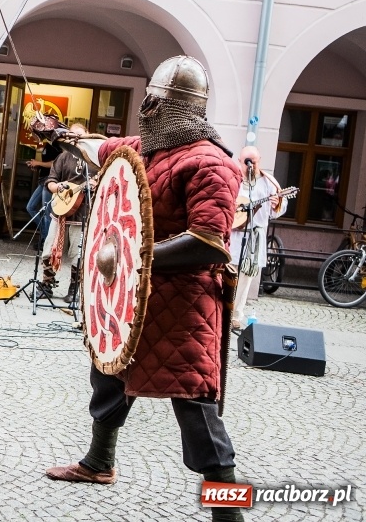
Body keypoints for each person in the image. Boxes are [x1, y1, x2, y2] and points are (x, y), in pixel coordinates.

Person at [45, 56, 245, 522]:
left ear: (173, 106)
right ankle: (99, 462)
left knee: (196, 411)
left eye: (155, 101)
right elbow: (100, 149)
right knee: (109, 373)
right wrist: (62, 135)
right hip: (132, 300)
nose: (146, 108)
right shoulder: (146, 149)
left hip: (184, 306)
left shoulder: (211, 163)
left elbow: (210, 242)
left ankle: (230, 515)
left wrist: (134, 257)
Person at [230, 146, 287, 329]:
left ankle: (236, 315)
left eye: (253, 162)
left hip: (254, 236)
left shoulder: (269, 183)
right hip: (234, 235)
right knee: (228, 273)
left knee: (245, 277)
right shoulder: (233, 179)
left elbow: (277, 211)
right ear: (240, 161)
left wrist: (277, 205)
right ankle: (223, 312)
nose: (250, 166)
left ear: (259, 161)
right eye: (246, 162)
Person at [38, 123, 94, 302]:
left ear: (87, 135)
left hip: (81, 213)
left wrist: (94, 184)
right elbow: (51, 181)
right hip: (60, 210)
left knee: (77, 255)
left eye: (80, 135)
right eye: (73, 135)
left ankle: (73, 290)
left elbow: (102, 181)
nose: (76, 138)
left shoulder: (94, 159)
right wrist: (57, 188)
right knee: (49, 250)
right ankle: (46, 286)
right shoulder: (63, 157)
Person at [25, 141, 60, 248]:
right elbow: (47, 164)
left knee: (47, 211)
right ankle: (45, 235)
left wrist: (38, 163)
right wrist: (36, 165)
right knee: (30, 207)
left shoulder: (56, 146)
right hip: (43, 180)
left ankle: (46, 241)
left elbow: (55, 164)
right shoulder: (47, 145)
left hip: (50, 180)